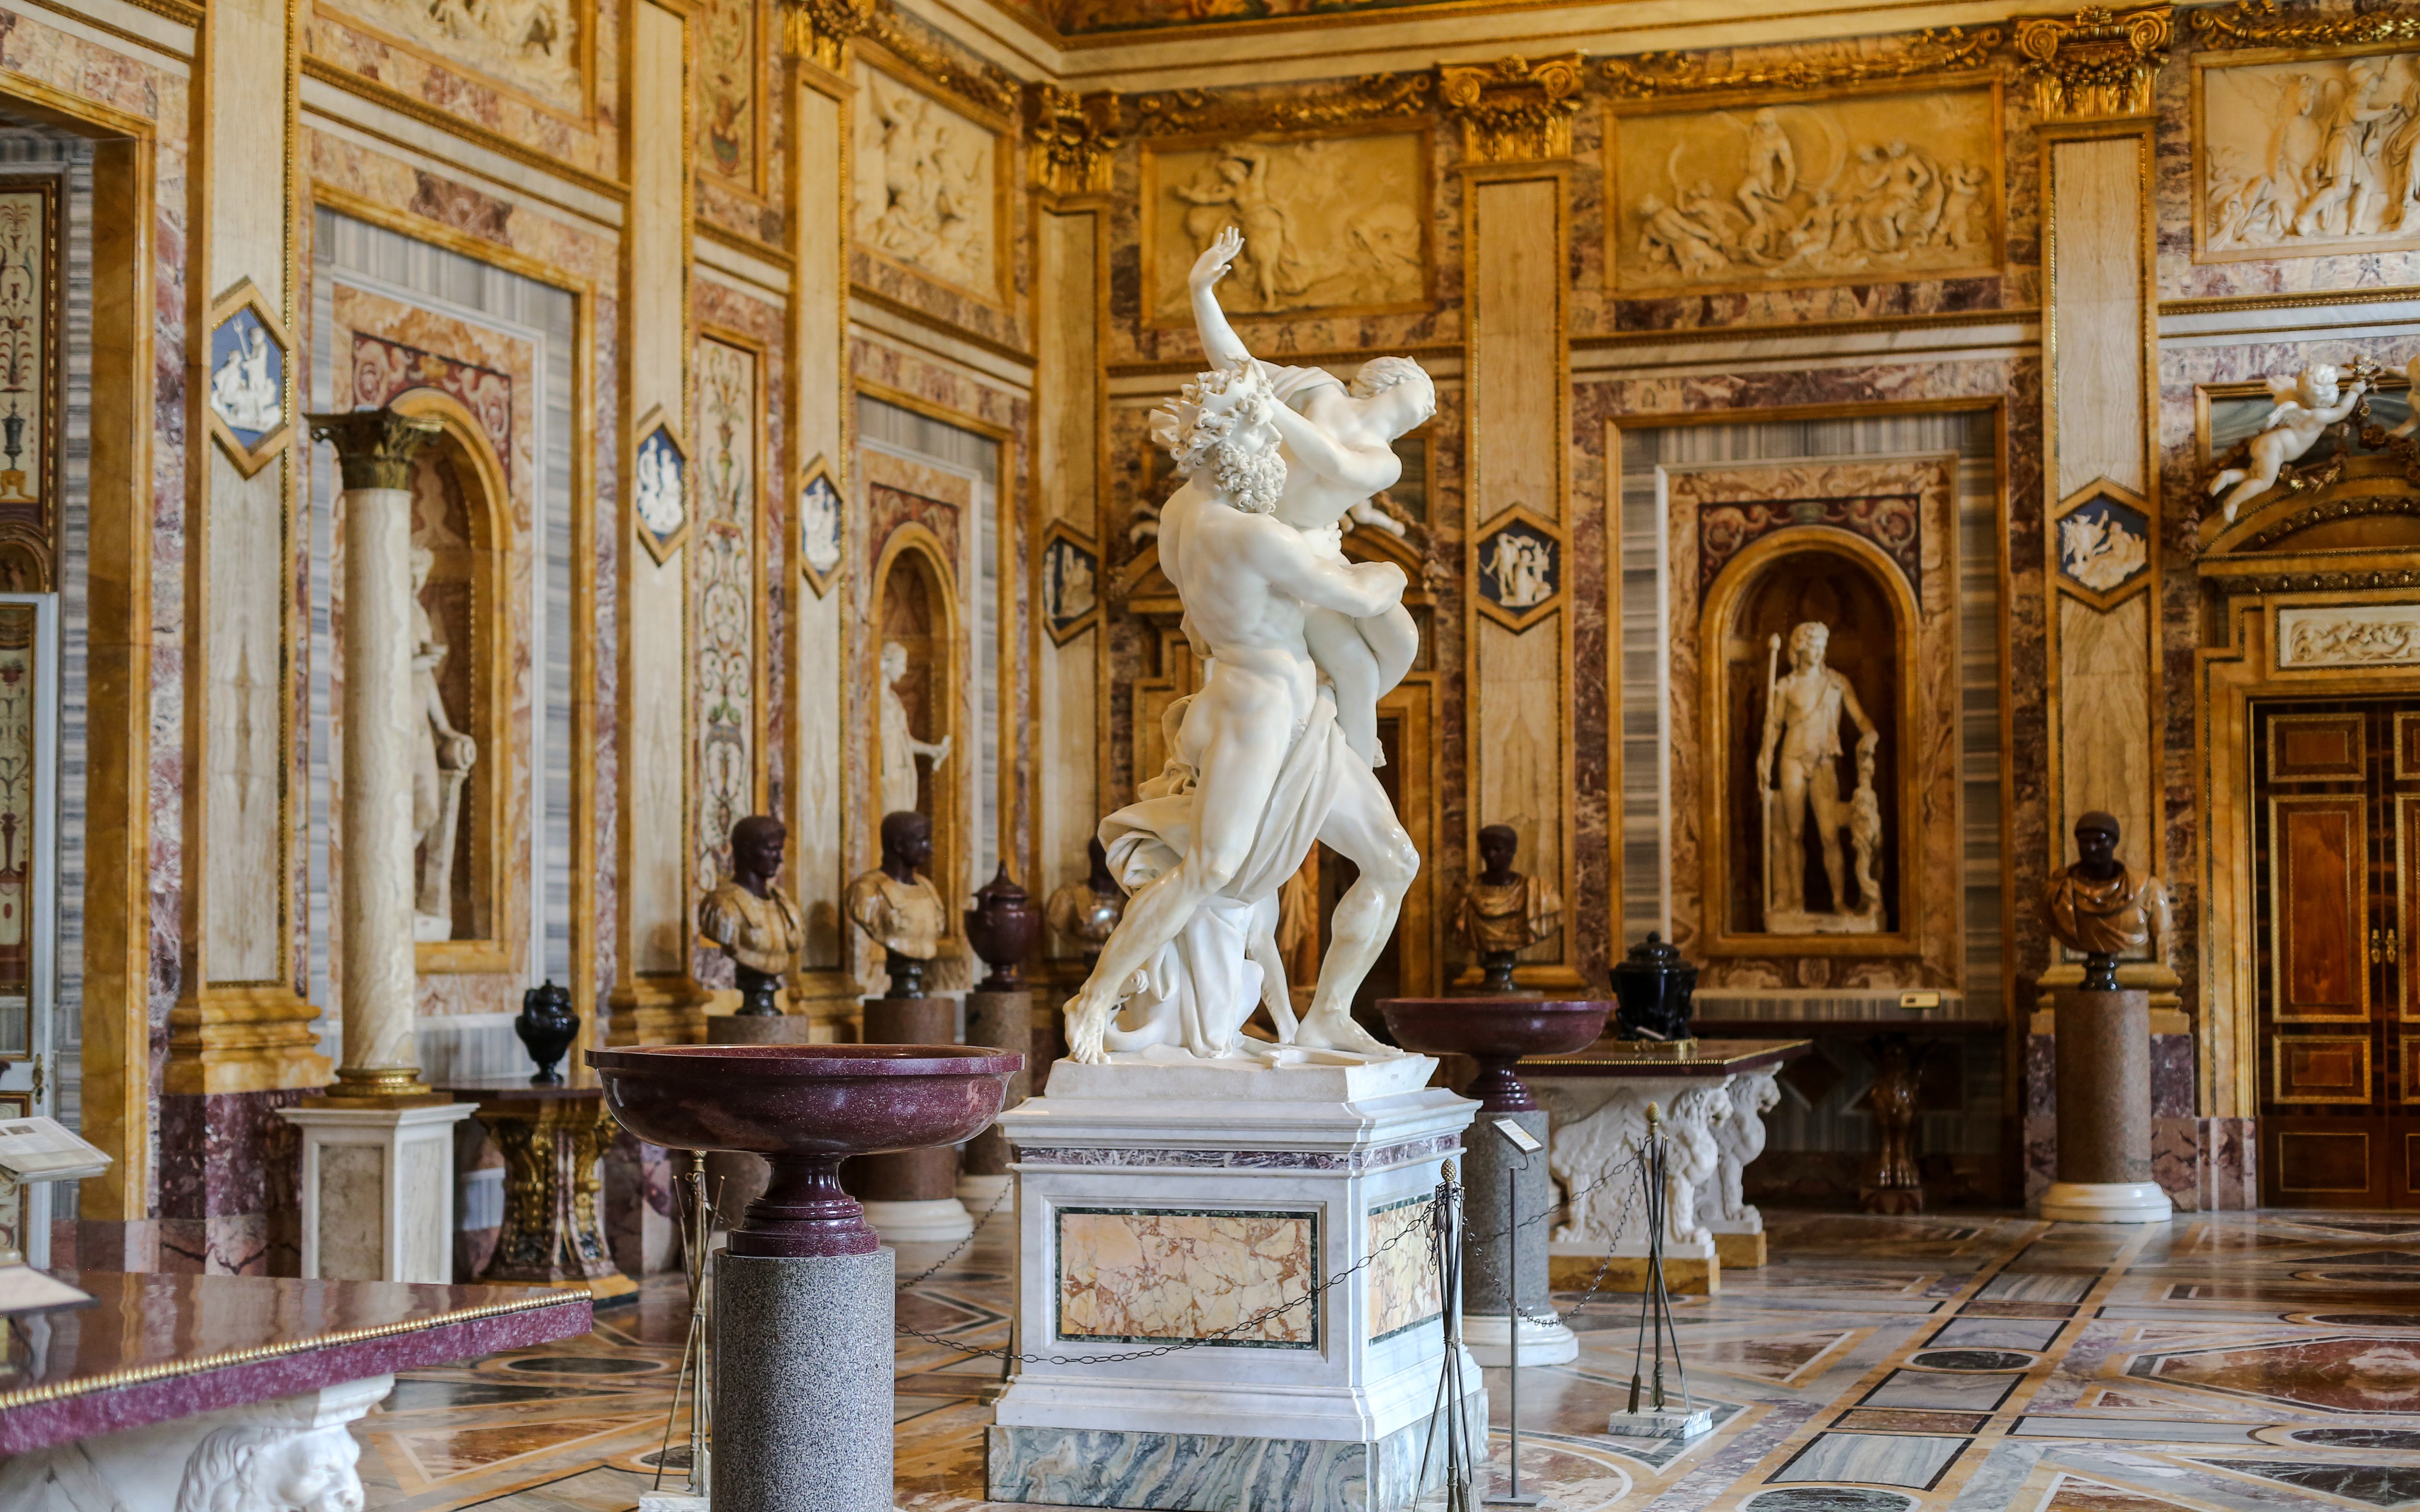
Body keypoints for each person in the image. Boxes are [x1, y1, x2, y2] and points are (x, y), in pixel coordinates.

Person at [1063, 348, 1417, 1063]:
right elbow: (1356, 597)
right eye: (1267, 438)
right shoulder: (1255, 534)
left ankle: (1329, 1016)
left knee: (1392, 860)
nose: (1282, 457)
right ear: (1236, 446)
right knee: (1212, 870)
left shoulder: (1180, 515)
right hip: (1255, 709)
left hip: (1298, 712)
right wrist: (1386, 568)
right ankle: (1094, 997)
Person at [1177, 226, 1430, 769]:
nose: (1431, 408)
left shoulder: (1387, 461)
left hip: (1318, 549)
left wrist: (1270, 410)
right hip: (1273, 552)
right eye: (1426, 392)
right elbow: (1235, 365)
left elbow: (1334, 463)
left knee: (1401, 639)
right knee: (1358, 669)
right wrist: (1202, 293)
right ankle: (1352, 769)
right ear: (1393, 381)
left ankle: (1332, 726)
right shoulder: (1317, 388)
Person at [1758, 621, 1880, 921]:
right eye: (1814, 645)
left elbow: (1860, 717)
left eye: (1823, 645)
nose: (1819, 650)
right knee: (1794, 832)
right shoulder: (1786, 686)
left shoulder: (1837, 684)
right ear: (1800, 648)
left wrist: (1871, 734)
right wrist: (1764, 757)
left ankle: (1839, 901)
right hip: (1792, 760)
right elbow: (1772, 726)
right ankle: (1797, 900)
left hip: (1824, 762)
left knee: (1829, 835)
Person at [2040, 809, 2171, 988]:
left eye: (2099, 841)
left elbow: (2159, 926)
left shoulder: (2148, 889)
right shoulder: (2056, 891)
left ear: (2114, 843)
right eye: (2084, 842)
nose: (2091, 848)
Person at [697, 814, 805, 1016]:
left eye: (779, 850)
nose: (779, 858)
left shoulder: (784, 906)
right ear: (747, 851)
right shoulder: (722, 905)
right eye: (771, 849)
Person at [1455, 824, 1561, 994]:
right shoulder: (1465, 895)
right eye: (1486, 849)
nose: (1491, 855)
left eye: (1497, 849)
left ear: (1512, 851)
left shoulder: (1538, 893)